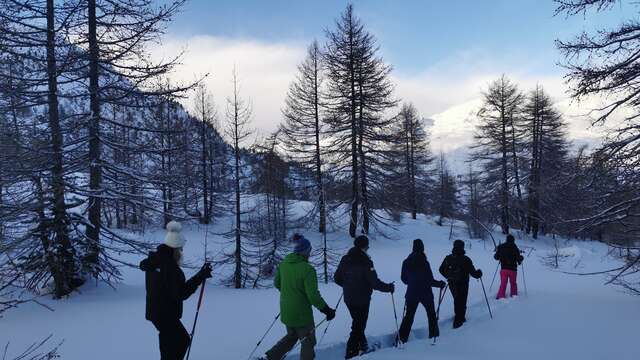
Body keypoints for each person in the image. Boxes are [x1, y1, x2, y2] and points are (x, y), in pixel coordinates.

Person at [139, 220, 212, 360]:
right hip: (165, 314)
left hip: (156, 312)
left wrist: (200, 276)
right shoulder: (170, 267)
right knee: (181, 341)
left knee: (170, 342)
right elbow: (181, 293)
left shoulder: (156, 260)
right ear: (175, 249)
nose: (182, 252)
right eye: (180, 249)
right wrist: (200, 276)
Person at [261, 234, 335, 360]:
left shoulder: (284, 263)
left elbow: (277, 283)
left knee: (291, 336)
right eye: (309, 250)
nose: (310, 253)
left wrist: (290, 294)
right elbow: (313, 296)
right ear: (305, 251)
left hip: (286, 310)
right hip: (302, 315)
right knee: (308, 341)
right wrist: (326, 310)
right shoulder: (308, 269)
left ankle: (271, 357)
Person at [334, 235, 394, 358]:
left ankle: (364, 346)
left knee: (358, 323)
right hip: (362, 300)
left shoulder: (345, 259)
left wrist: (348, 286)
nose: (368, 248)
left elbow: (337, 278)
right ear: (364, 247)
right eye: (367, 246)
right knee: (358, 326)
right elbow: (374, 283)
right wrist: (389, 287)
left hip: (349, 298)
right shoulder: (366, 262)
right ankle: (351, 354)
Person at [397, 239, 446, 344]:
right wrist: (440, 284)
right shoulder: (424, 262)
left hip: (411, 293)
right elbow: (429, 280)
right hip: (426, 293)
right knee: (432, 315)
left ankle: (401, 339)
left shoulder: (406, 261)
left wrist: (412, 282)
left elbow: (404, 279)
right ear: (422, 248)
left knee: (409, 317)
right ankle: (434, 336)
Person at [439, 239, 482, 329]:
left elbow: (441, 269)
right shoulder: (466, 259)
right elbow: (473, 273)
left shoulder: (448, 258)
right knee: (462, 301)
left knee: (457, 299)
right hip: (463, 283)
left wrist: (448, 276)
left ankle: (459, 317)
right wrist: (479, 274)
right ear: (462, 247)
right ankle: (459, 321)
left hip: (452, 283)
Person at [494, 234, 524, 299]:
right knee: (513, 283)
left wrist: (499, 255)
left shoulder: (501, 246)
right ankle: (514, 295)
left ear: (506, 239)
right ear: (513, 240)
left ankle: (500, 296)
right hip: (513, 270)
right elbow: (519, 260)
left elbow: (496, 257)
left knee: (503, 283)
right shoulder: (515, 247)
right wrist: (521, 258)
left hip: (504, 269)